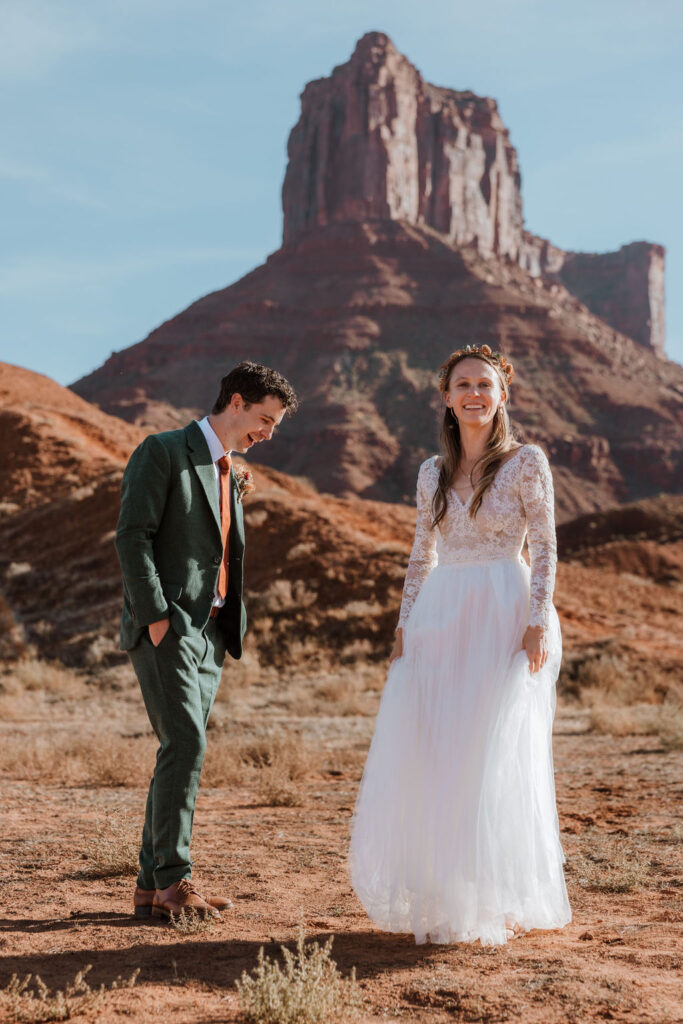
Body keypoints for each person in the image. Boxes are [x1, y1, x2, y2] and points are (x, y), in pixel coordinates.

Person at [349, 344, 571, 946]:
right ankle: (449, 893)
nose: (474, 393)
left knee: (494, 751)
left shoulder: (527, 462)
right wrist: (404, 624)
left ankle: (495, 896)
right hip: (442, 615)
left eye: (485, 384)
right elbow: (422, 554)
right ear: (446, 396)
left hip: (506, 606)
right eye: (463, 384)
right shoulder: (430, 472)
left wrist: (537, 621)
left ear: (503, 396)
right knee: (441, 751)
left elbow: (546, 547)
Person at [115, 361, 297, 920]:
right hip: (168, 625)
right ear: (236, 401)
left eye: (275, 425)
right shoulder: (163, 450)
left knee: (178, 749)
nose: (268, 433)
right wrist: (155, 617)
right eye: (264, 420)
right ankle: (175, 881)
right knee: (187, 744)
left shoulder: (229, 469)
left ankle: (150, 887)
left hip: (211, 634)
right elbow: (133, 536)